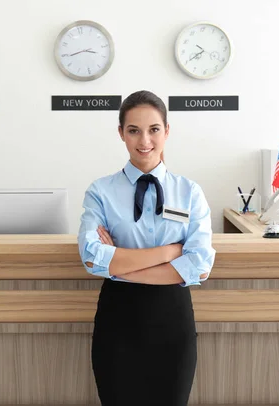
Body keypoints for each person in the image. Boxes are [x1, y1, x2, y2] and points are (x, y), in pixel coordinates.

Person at [77, 90, 216, 406]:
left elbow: (200, 266)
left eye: (154, 129)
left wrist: (121, 265)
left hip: (172, 320)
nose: (144, 140)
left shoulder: (189, 192)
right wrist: (169, 253)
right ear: (121, 133)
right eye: (133, 130)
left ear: (167, 131)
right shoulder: (101, 192)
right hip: (118, 320)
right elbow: (92, 259)